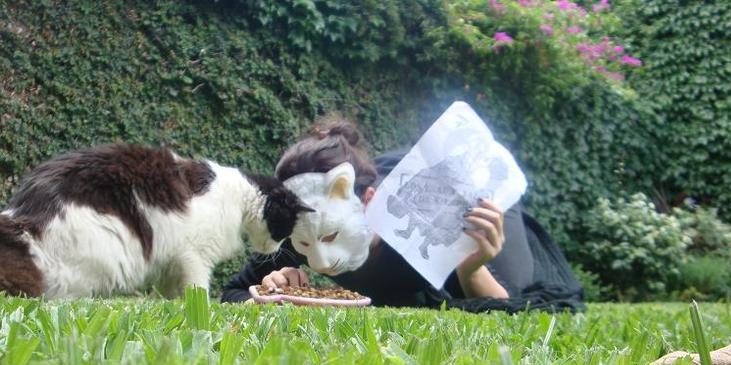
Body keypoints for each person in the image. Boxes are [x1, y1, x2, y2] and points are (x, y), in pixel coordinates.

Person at [221, 117, 542, 309]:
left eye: (331, 236)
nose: (319, 262)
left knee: (522, 278)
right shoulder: (306, 226)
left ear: (369, 202)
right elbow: (233, 291)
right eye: (305, 245)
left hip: (483, 202)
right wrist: (266, 293)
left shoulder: (419, 226)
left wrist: (472, 269)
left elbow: (500, 310)